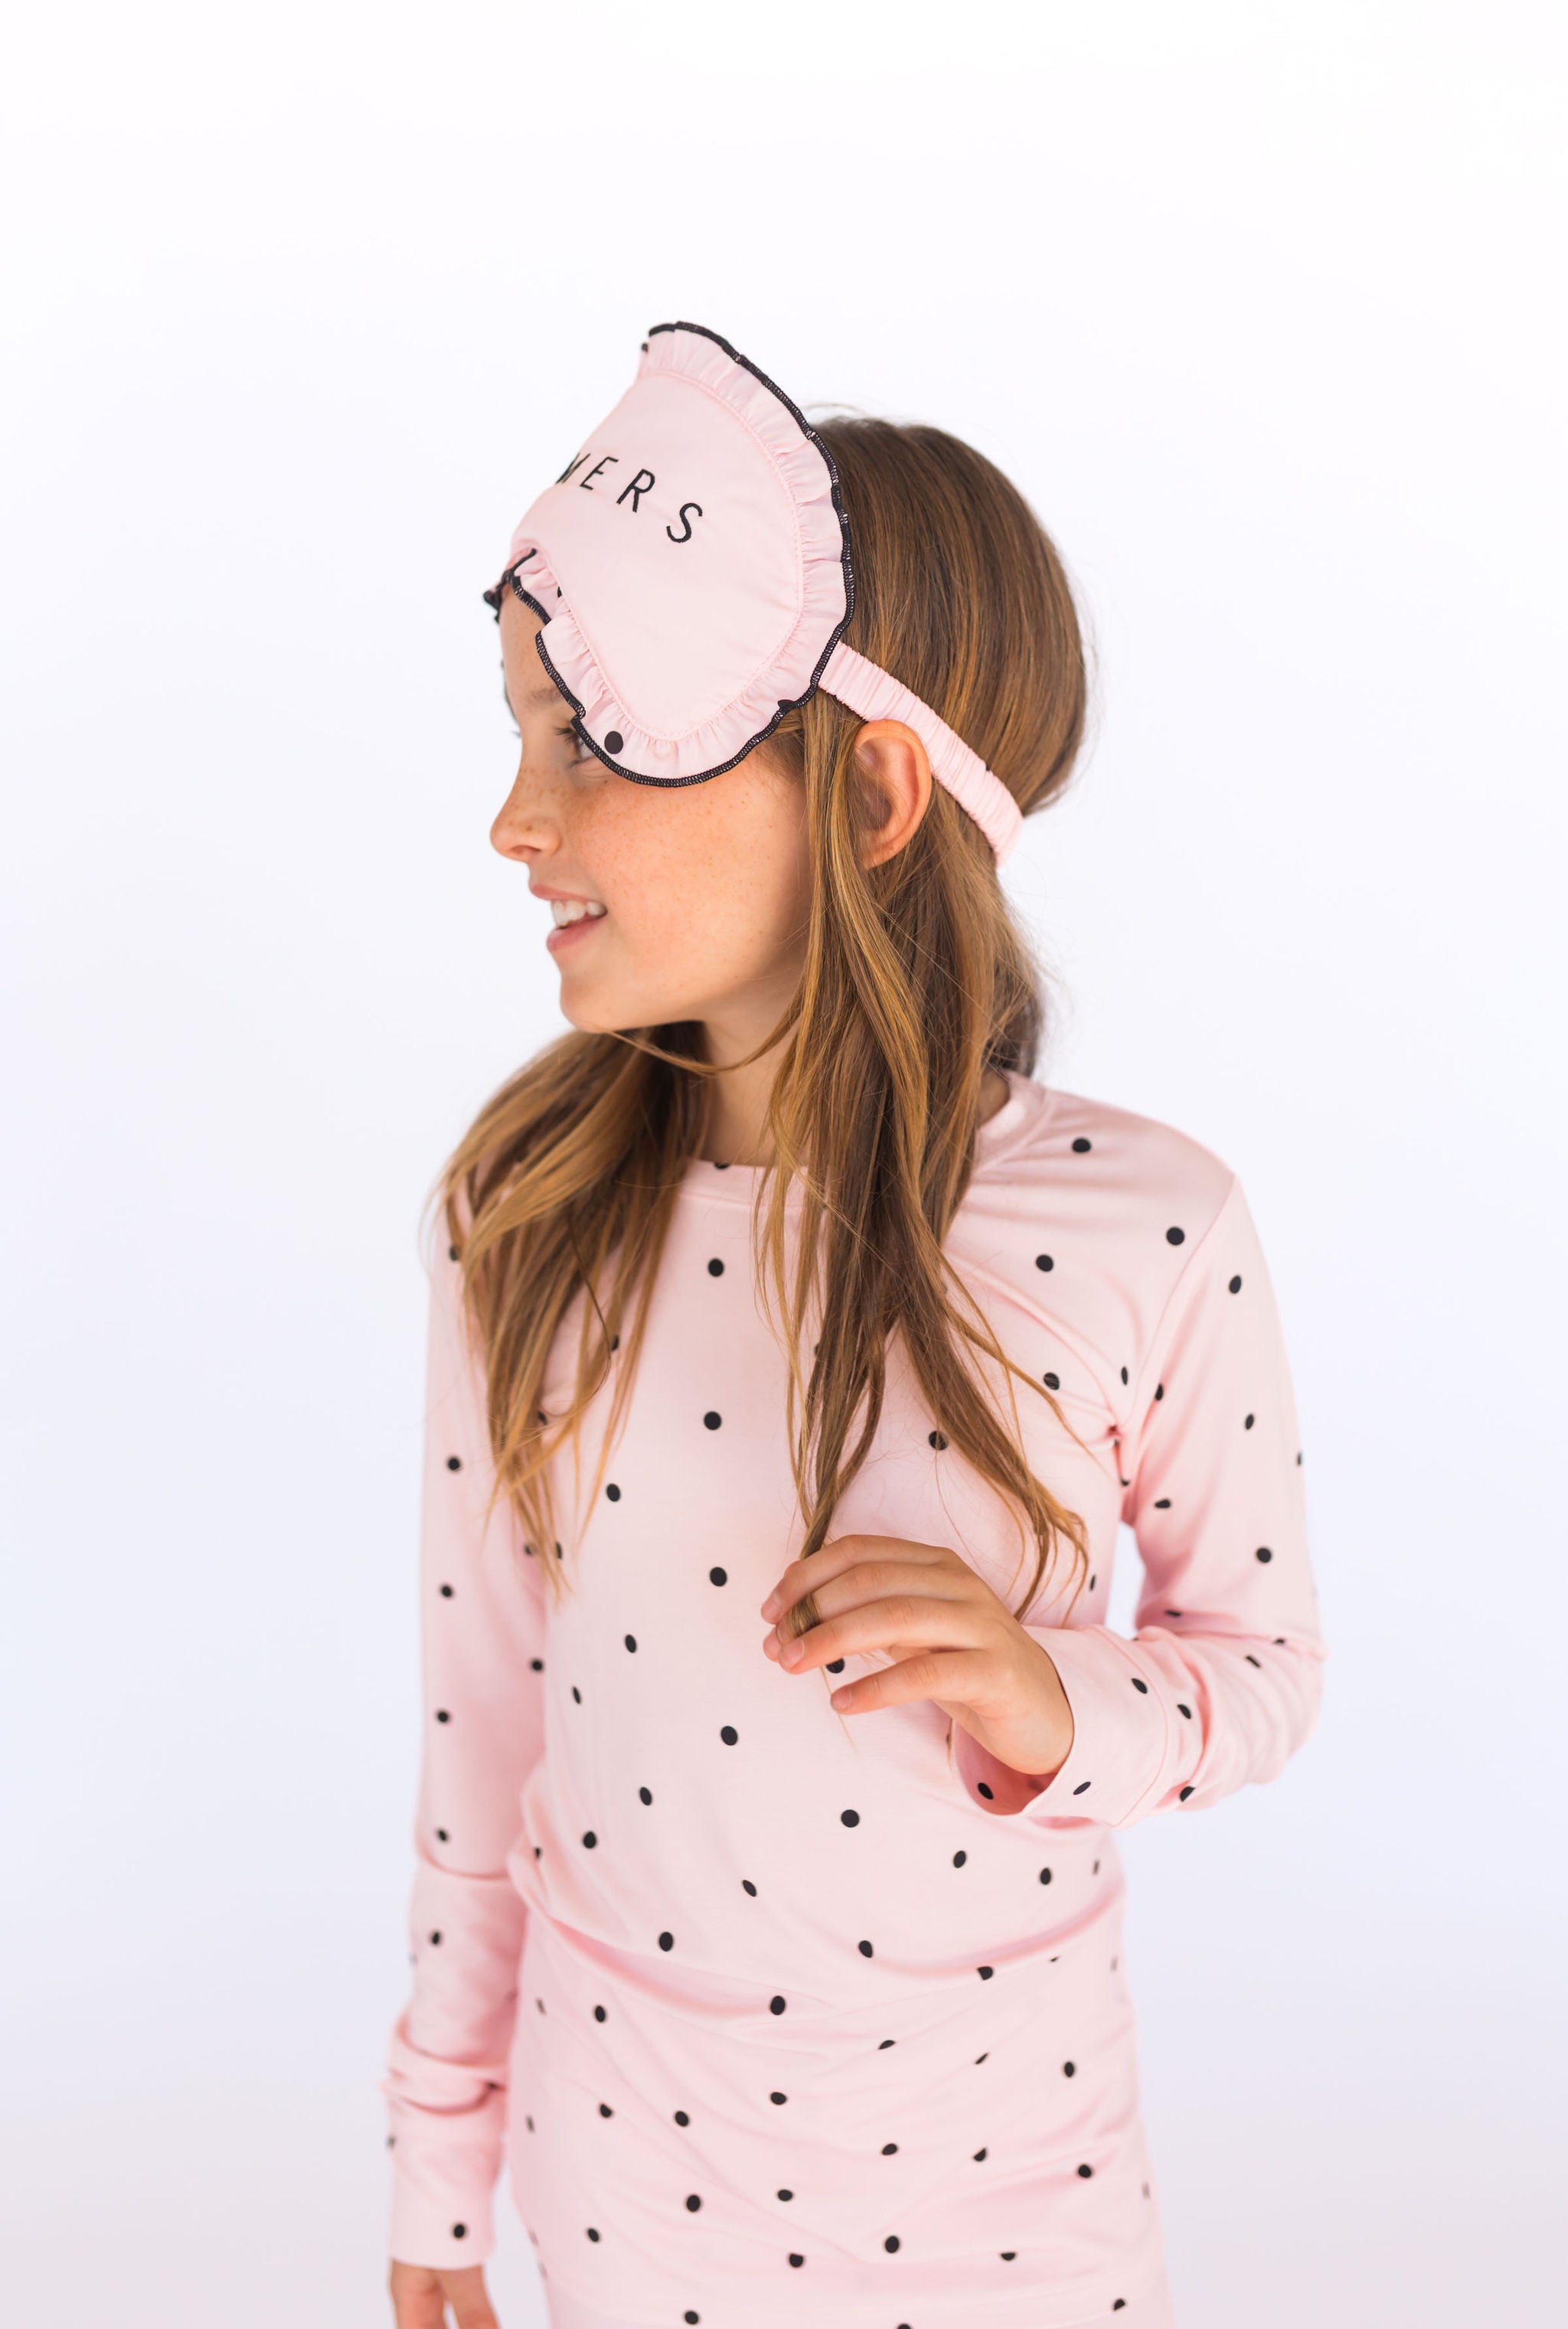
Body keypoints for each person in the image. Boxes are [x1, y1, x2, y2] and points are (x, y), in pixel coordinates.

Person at [381, 322, 1327, 2329]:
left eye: (589, 741)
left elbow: (1263, 1672)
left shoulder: (1152, 1228)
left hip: (1017, 2200)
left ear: (874, 789)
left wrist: (1053, 1699)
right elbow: (485, 1734)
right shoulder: (526, 1217)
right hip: (627, 2190)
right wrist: (436, 2171)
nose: (513, 822)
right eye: (522, 734)